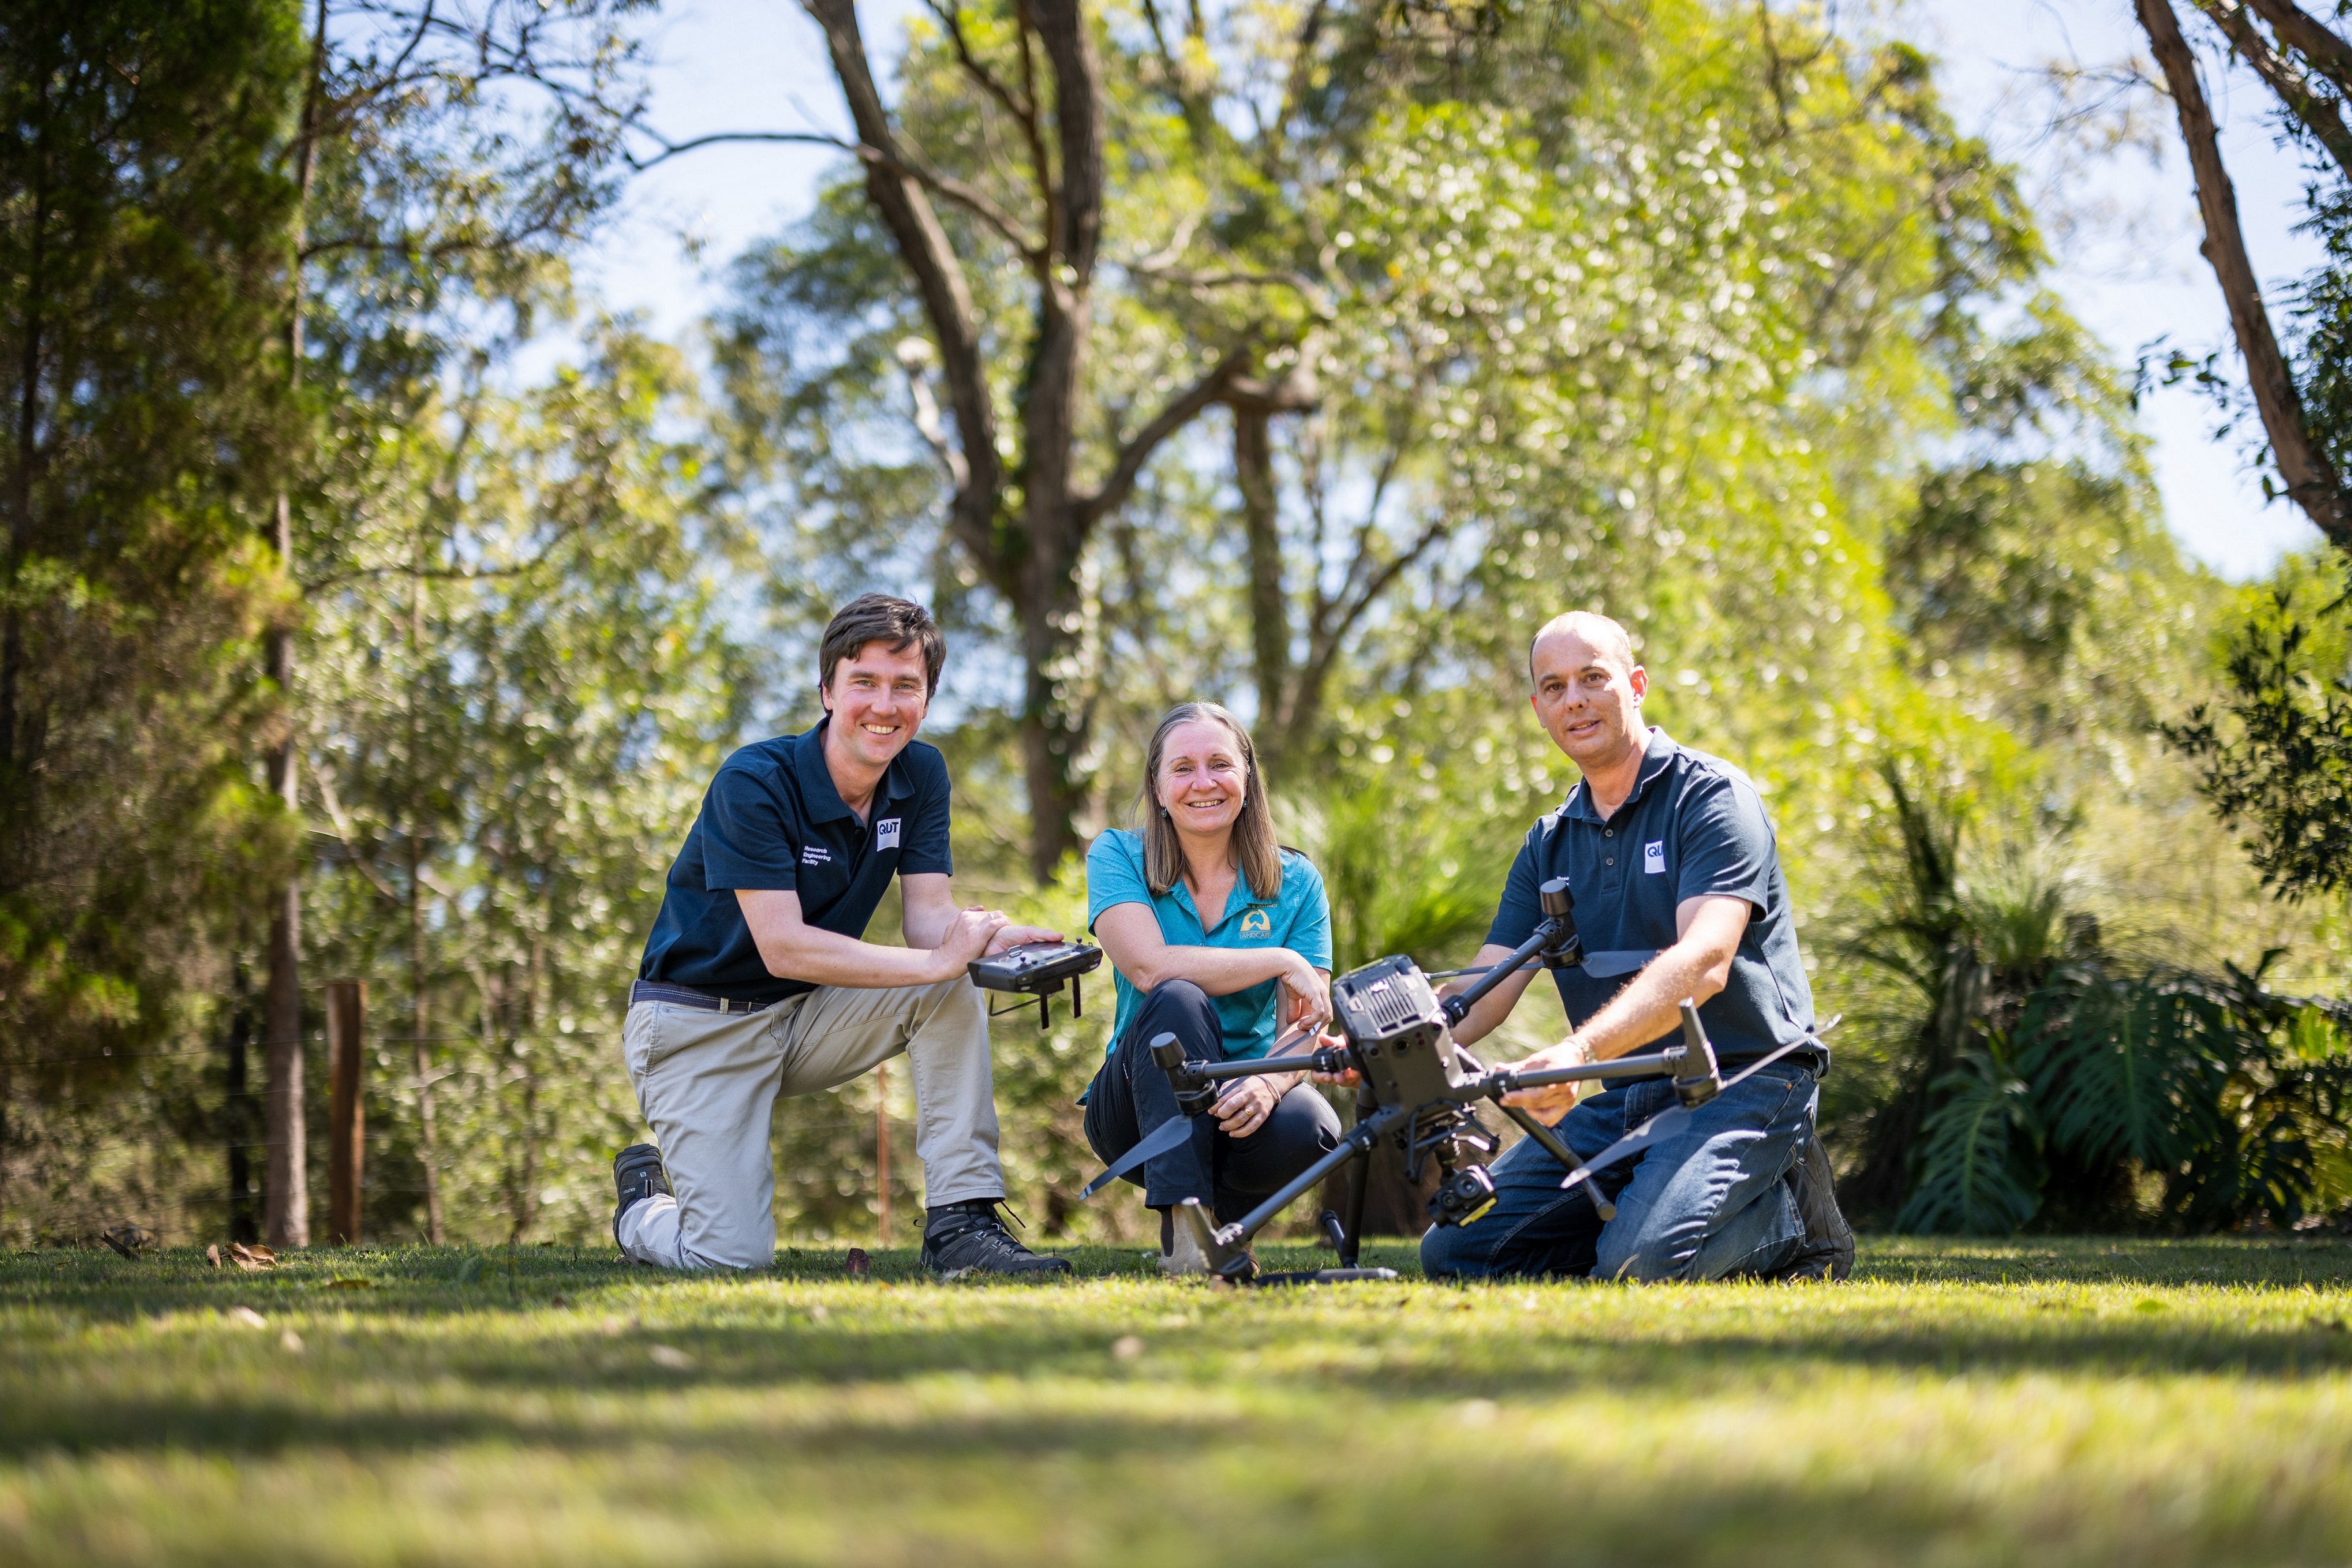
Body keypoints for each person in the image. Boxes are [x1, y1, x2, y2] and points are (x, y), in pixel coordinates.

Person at [610, 594, 1072, 1279]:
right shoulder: (754, 780)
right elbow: (784, 946)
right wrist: (939, 956)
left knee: (948, 982)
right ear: (827, 690)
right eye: (865, 682)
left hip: (797, 1015)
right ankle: (643, 1207)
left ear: (926, 699)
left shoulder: (920, 774)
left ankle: (960, 1225)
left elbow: (927, 920)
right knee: (729, 1257)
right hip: (691, 1027)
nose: (884, 705)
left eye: (905, 686)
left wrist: (983, 940)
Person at [1419, 611, 1855, 1283]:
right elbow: (1482, 988)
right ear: (1537, 708)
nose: (1575, 699)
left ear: (1635, 684)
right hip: (1628, 1091)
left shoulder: (1709, 796)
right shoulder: (1548, 842)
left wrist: (1578, 1052)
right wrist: (1390, 1043)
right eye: (1554, 686)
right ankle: (1658, 1212)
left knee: (1638, 1264)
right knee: (1454, 1252)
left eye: (1593, 677)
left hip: (1746, 1080)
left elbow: (1704, 961)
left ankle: (1793, 1220)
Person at [1082, 702, 1344, 1275]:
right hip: (1134, 1102)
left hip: (1238, 1098)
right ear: (1156, 788)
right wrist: (1276, 959)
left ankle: (1224, 1230)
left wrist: (1271, 1085)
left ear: (1247, 782)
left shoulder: (1297, 883)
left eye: (1220, 764)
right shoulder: (1116, 854)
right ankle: (1184, 1234)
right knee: (1177, 997)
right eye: (1182, 768)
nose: (1203, 783)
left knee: (1316, 1127)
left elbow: (1305, 1026)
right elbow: (1150, 968)